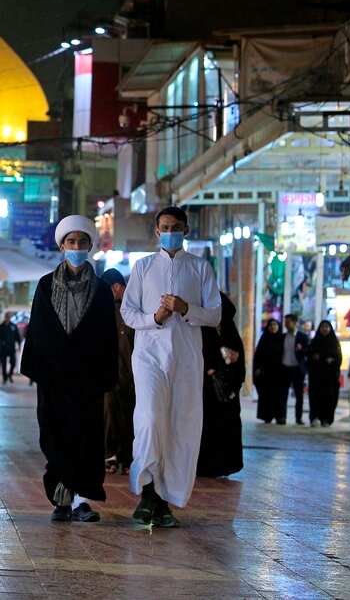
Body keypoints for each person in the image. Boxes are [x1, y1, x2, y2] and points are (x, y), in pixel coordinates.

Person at [122, 206, 222, 528]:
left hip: (187, 359)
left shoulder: (200, 268)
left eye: (176, 226)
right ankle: (147, 490)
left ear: (186, 230)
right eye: (164, 226)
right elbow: (128, 313)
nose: (170, 231)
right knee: (150, 420)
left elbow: (215, 314)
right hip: (149, 356)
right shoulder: (142, 267)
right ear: (156, 231)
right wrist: (155, 318)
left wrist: (185, 308)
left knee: (180, 427)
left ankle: (164, 500)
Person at [21, 215, 118, 523]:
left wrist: (106, 375)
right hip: (54, 378)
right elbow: (38, 329)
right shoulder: (46, 285)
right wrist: (39, 368)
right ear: (62, 245)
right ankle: (61, 499)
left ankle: (82, 501)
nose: (76, 247)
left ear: (90, 246)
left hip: (88, 379)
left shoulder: (102, 290)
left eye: (82, 242)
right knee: (55, 437)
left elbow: (107, 336)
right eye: (71, 242)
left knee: (86, 439)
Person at [197, 292, 244, 478]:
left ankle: (225, 466)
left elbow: (240, 363)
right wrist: (210, 368)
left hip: (227, 391)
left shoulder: (230, 331)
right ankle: (205, 466)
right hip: (206, 390)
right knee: (207, 427)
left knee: (227, 428)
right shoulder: (204, 330)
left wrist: (232, 364)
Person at [100, 268, 134, 475]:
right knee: (111, 413)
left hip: (131, 373)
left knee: (130, 415)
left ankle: (127, 457)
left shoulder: (132, 310)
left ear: (116, 288)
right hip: (112, 373)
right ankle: (111, 455)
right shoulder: (107, 311)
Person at [306, 320, 342, 426]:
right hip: (316, 376)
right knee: (315, 397)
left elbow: (339, 358)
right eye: (323, 327)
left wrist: (332, 361)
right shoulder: (314, 342)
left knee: (329, 398)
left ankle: (326, 419)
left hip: (330, 377)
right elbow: (309, 356)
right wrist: (314, 358)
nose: (325, 329)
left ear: (330, 329)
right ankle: (314, 418)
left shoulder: (335, 342)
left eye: (327, 327)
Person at [253, 319, 285, 423]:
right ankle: (267, 416)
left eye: (275, 324)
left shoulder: (282, 339)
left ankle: (279, 417)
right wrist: (257, 369)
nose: (273, 327)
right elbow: (258, 356)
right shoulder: (264, 339)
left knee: (279, 396)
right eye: (271, 325)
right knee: (266, 395)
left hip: (279, 373)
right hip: (266, 373)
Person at [280, 314, 309, 425]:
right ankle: (282, 417)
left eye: (288, 322)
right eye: (285, 322)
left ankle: (298, 418)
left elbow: (307, 352)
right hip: (285, 368)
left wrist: (302, 350)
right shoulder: (282, 337)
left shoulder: (303, 337)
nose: (286, 324)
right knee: (283, 394)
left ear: (295, 322)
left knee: (299, 395)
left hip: (297, 369)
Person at [0, 312, 21, 384]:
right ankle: (4, 377)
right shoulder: (1, 326)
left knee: (13, 363)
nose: (8, 318)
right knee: (3, 364)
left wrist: (19, 345)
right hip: (3, 348)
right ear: (5, 317)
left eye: (9, 317)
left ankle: (10, 375)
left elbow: (17, 337)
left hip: (11, 348)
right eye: (7, 316)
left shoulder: (13, 326)